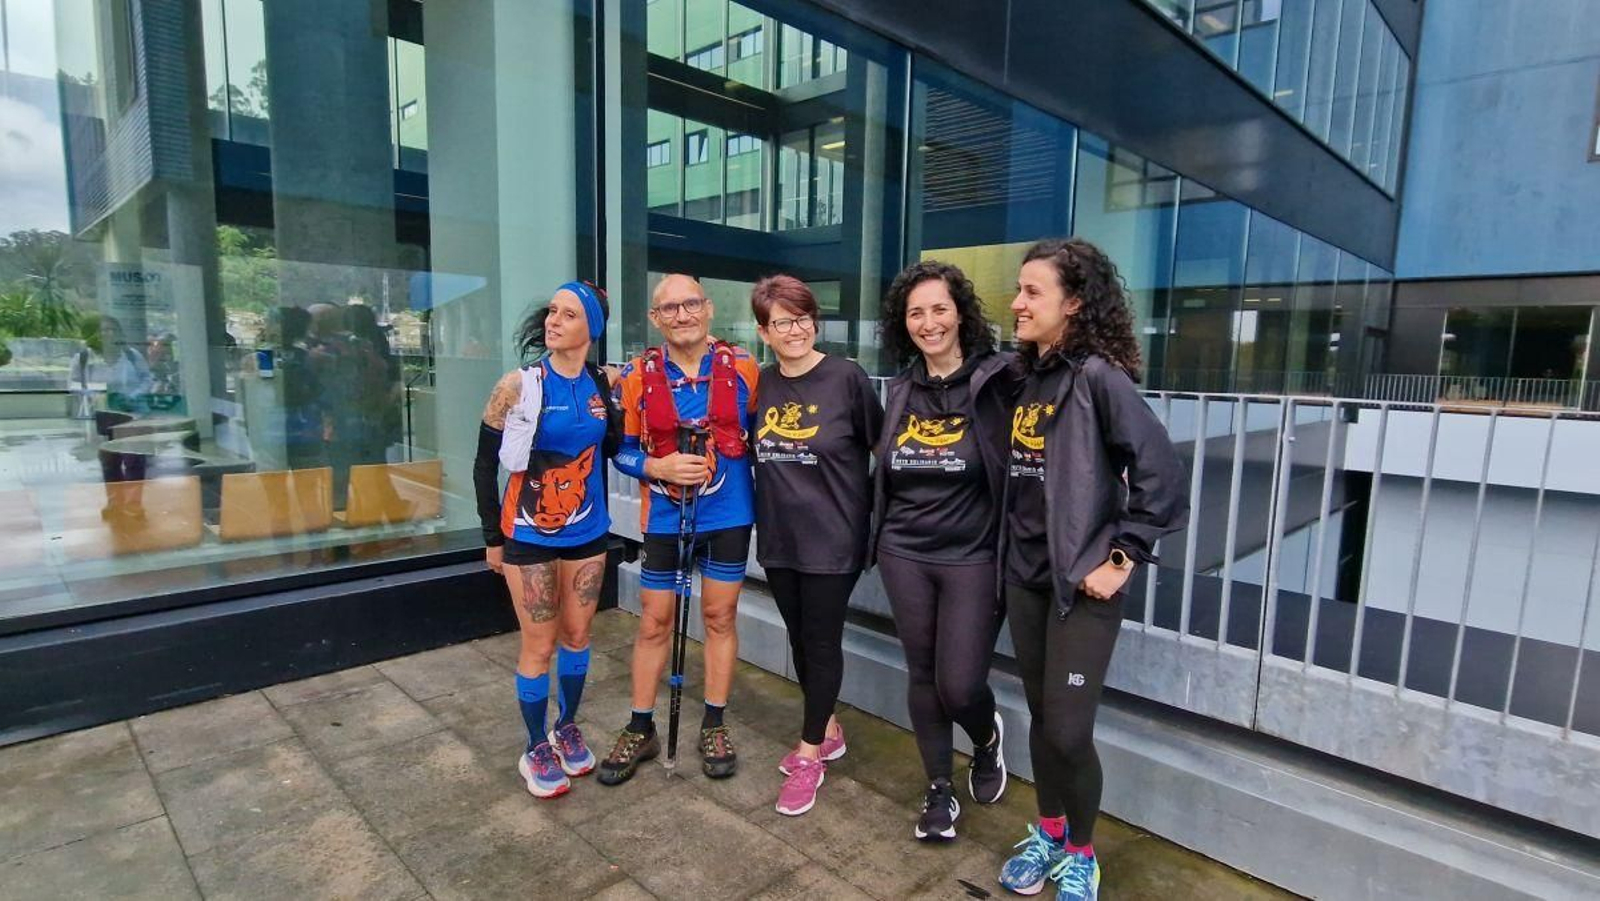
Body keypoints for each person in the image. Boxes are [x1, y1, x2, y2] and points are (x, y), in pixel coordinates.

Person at [996, 238, 1188, 900]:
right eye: (1017, 290)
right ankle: (1048, 831)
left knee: (1070, 728)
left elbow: (1162, 475)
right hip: (1025, 577)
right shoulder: (1027, 376)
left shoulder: (1099, 379)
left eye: (1031, 292)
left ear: (1073, 304)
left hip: (1081, 585)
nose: (1016, 302)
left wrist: (1122, 557)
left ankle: (1082, 850)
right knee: (1045, 720)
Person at [871, 261, 1015, 841]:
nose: (929, 323)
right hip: (904, 551)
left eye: (939, 309)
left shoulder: (1000, 380)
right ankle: (938, 789)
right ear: (903, 325)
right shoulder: (901, 389)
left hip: (974, 556)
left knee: (959, 684)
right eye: (916, 313)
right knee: (923, 674)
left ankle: (985, 738)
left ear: (960, 313)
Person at [602, 273, 761, 784]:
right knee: (654, 622)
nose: (682, 315)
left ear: (708, 308)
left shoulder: (744, 368)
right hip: (666, 518)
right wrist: (657, 468)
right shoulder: (635, 375)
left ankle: (714, 722)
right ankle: (640, 725)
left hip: (729, 513)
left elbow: (766, 434)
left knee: (720, 615)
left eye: (691, 304)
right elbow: (620, 451)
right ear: (655, 319)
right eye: (669, 309)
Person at [473, 281, 621, 799]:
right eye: (552, 311)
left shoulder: (603, 386)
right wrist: (493, 539)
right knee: (538, 644)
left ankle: (567, 726)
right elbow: (484, 466)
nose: (554, 320)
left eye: (569, 314)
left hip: (589, 534)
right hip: (529, 536)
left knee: (578, 638)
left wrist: (663, 468)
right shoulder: (518, 385)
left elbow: (619, 450)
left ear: (592, 329)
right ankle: (536, 744)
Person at [748, 275, 882, 816]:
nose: (796, 329)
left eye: (803, 318)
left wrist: (871, 516)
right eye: (783, 321)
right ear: (765, 332)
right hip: (780, 535)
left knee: (821, 640)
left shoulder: (847, 377)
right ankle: (826, 727)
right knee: (800, 638)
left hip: (834, 537)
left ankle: (809, 755)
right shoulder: (761, 384)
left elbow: (884, 449)